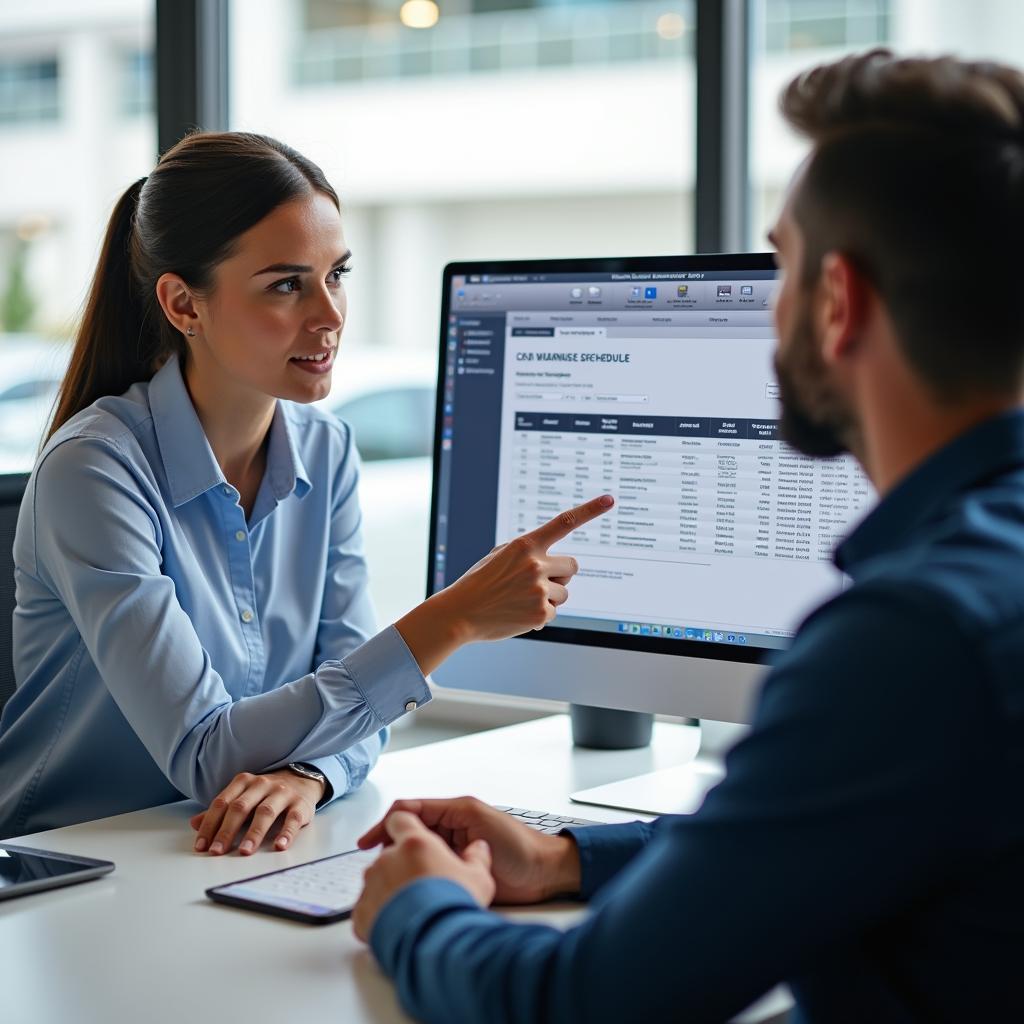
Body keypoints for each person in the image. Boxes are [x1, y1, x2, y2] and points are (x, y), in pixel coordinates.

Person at [350, 49, 1024, 1023]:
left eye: (781, 269)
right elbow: (833, 832)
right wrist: (567, 854)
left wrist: (419, 907)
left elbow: (580, 1003)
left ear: (838, 304)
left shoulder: (914, 639)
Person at [0, 131, 613, 851]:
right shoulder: (94, 468)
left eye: (338, 274)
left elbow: (363, 705)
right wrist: (451, 619)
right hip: (74, 862)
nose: (330, 315)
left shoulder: (328, 450)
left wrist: (308, 775)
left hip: (224, 853)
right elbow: (208, 752)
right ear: (183, 305)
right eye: (287, 284)